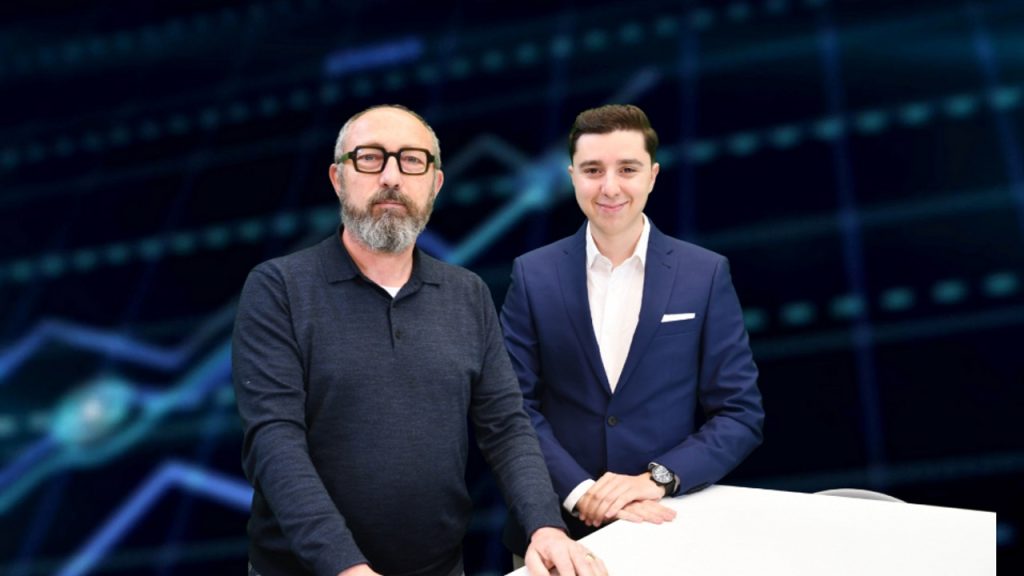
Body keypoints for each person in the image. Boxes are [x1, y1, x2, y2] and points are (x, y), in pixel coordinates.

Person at [232, 104, 607, 576]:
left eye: (412, 160)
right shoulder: (279, 288)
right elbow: (274, 442)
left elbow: (507, 427)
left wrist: (545, 527)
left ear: (435, 183)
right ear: (337, 177)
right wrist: (346, 567)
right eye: (370, 158)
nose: (391, 177)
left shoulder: (467, 293)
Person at [501, 104, 765, 557]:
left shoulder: (703, 273)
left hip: (665, 525)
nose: (610, 187)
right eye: (592, 170)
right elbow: (512, 408)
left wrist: (657, 479)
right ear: (572, 176)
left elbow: (740, 413)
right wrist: (581, 491)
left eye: (627, 169)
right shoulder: (532, 274)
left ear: (652, 175)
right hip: (555, 529)